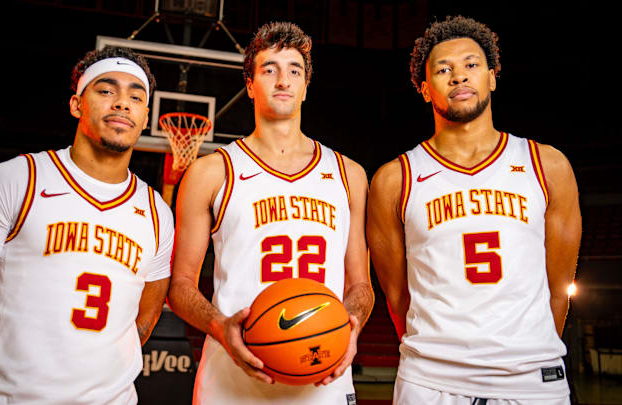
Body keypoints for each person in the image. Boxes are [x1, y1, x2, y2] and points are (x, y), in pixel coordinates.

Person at [0, 46, 174, 404]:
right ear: (76, 105)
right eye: (106, 91)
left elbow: (144, 320)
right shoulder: (15, 180)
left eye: (135, 97)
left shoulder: (156, 211)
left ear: (146, 116)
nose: (122, 103)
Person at [367, 15, 582, 404]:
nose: (459, 77)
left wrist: (527, 351)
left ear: (492, 77)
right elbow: (397, 297)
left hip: (532, 380)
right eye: (443, 69)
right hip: (430, 381)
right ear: (424, 88)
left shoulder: (547, 165)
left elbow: (558, 288)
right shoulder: (394, 179)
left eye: (471, 65)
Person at [168, 21, 374, 405]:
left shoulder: (349, 174)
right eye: (269, 69)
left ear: (306, 86)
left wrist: (351, 326)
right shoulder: (211, 172)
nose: (283, 80)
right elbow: (180, 285)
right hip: (230, 381)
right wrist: (220, 326)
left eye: (294, 70)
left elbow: (360, 286)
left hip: (322, 379)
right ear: (250, 84)